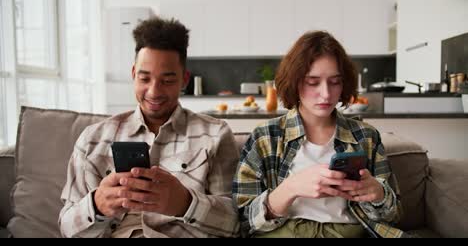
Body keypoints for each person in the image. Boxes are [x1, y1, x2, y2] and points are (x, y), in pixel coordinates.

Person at [59, 17, 240, 238]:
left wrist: (185, 204)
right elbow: (67, 227)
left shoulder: (215, 135)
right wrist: (96, 205)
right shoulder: (93, 139)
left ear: (184, 80)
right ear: (134, 74)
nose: (154, 92)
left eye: (167, 81)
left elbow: (236, 223)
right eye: (145, 79)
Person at [232, 31, 407, 238]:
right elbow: (242, 221)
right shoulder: (265, 138)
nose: (325, 94)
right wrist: (290, 188)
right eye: (312, 82)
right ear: (295, 82)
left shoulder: (366, 136)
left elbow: (393, 215)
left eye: (334, 82)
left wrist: (378, 194)